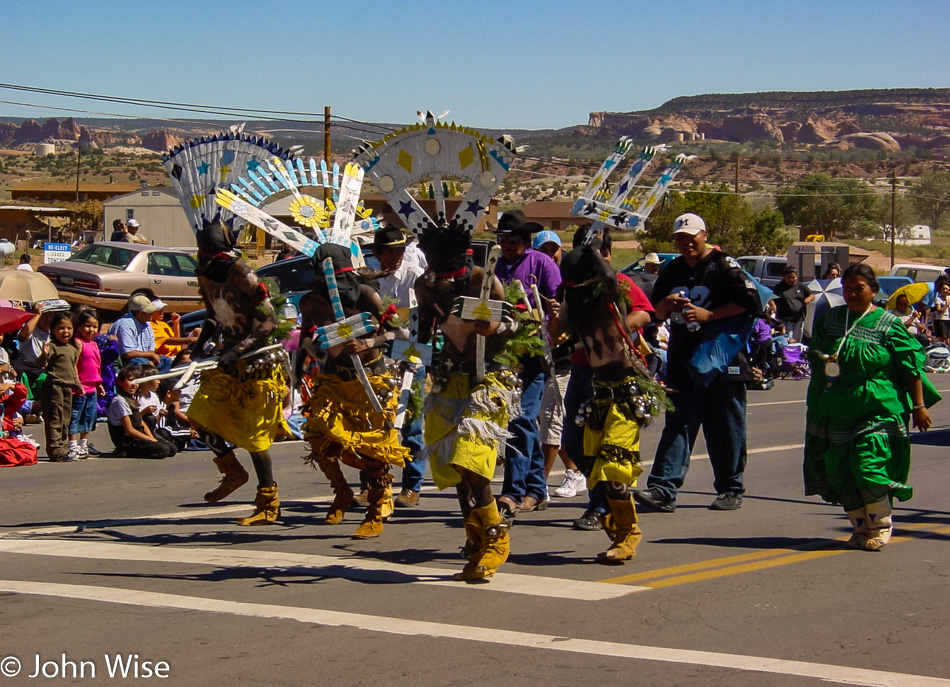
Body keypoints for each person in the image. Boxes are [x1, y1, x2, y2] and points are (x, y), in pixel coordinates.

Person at [634, 213, 762, 513]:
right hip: (682, 360)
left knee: (726, 426)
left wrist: (710, 315)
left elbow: (751, 303)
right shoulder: (672, 269)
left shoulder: (724, 266)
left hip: (722, 361)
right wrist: (666, 306)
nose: (685, 243)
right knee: (678, 423)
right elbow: (656, 312)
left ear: (704, 235)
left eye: (691, 237)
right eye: (680, 238)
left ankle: (731, 488)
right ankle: (663, 488)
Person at [804, 264, 939, 550]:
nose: (852, 294)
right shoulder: (830, 320)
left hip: (877, 408)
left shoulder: (888, 324)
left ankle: (881, 523)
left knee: (866, 465)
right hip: (836, 407)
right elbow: (814, 355)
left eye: (859, 288)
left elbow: (910, 367)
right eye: (848, 288)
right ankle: (860, 528)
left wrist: (918, 406)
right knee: (840, 469)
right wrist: (823, 358)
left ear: (873, 291)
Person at [415, 219, 520, 580]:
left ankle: (495, 537)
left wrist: (494, 328)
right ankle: (474, 541)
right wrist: (396, 352)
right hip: (449, 379)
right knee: (453, 468)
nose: (442, 275)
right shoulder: (424, 286)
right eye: (435, 267)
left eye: (447, 268)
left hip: (489, 375)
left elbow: (515, 325)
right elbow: (422, 334)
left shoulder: (483, 280)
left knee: (471, 459)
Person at [558, 226, 661, 563]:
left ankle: (626, 532)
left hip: (622, 378)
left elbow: (644, 313)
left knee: (613, 457)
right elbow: (558, 327)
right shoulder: (573, 290)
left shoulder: (618, 284)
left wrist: (613, 330)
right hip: (584, 373)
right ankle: (607, 510)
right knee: (575, 445)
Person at [298, 242, 409, 539]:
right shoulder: (309, 302)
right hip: (333, 381)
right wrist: (301, 365)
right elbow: (306, 337)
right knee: (319, 439)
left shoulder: (367, 294)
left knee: (373, 449)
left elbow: (399, 333)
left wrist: (367, 343)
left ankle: (375, 510)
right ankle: (342, 491)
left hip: (370, 380)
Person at [187, 219, 291, 525]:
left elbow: (269, 322)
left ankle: (268, 502)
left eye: (212, 258)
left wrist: (238, 350)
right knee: (199, 416)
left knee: (255, 438)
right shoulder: (204, 275)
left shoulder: (244, 274)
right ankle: (232, 471)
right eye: (204, 258)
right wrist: (199, 345)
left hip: (258, 362)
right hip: (229, 360)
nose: (207, 263)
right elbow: (213, 316)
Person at [493, 210, 561, 517]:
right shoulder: (496, 267)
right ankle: (537, 488)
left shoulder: (541, 263)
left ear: (526, 240)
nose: (507, 245)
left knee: (520, 419)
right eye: (503, 240)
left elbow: (557, 304)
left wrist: (549, 314)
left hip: (533, 354)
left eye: (513, 240)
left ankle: (513, 492)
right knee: (520, 421)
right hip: (505, 354)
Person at [371, 225, 427, 509]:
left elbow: (420, 326)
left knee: (411, 424)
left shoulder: (415, 276)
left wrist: (414, 356)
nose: (396, 256)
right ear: (377, 253)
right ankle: (375, 484)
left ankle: (412, 486)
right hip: (379, 359)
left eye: (400, 250)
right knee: (377, 425)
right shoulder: (369, 278)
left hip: (410, 356)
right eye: (390, 251)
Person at [37, 312, 82, 462]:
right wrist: (44, 354)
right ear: (53, 330)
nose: (66, 332)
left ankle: (63, 446)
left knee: (65, 418)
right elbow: (41, 364)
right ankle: (55, 448)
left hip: (67, 387)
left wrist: (78, 384)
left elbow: (72, 368)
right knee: (54, 417)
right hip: (54, 386)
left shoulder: (72, 348)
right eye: (61, 328)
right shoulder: (52, 347)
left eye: (69, 328)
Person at [107, 365, 177, 459]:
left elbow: (141, 422)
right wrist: (151, 440)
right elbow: (129, 430)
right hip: (127, 441)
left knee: (172, 449)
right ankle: (125, 452)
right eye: (130, 380)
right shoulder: (120, 401)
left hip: (138, 437)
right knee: (163, 450)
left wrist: (151, 437)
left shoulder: (132, 398)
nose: (134, 384)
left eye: (137, 381)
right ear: (120, 382)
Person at [67, 310, 104, 460]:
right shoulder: (78, 342)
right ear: (78, 326)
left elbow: (95, 365)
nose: (91, 330)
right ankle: (72, 445)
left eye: (95, 327)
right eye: (87, 326)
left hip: (92, 387)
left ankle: (84, 444)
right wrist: (76, 383)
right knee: (75, 416)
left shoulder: (94, 343)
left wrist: (99, 383)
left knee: (89, 416)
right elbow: (74, 364)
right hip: (80, 387)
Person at [111, 295, 173, 373]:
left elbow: (151, 346)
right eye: (150, 311)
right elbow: (128, 354)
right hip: (128, 362)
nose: (152, 313)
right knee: (140, 362)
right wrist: (150, 356)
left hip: (145, 358)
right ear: (141, 313)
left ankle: (160, 382)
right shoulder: (125, 324)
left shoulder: (147, 324)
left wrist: (151, 357)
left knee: (167, 361)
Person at [771, 265, 814, 342]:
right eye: (789, 278)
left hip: (799, 319)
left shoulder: (800, 286)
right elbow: (772, 299)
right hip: (786, 320)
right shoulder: (779, 287)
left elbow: (812, 295)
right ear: (784, 277)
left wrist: (808, 299)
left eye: (794, 277)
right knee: (789, 340)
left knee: (797, 341)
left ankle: (796, 353)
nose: (792, 280)